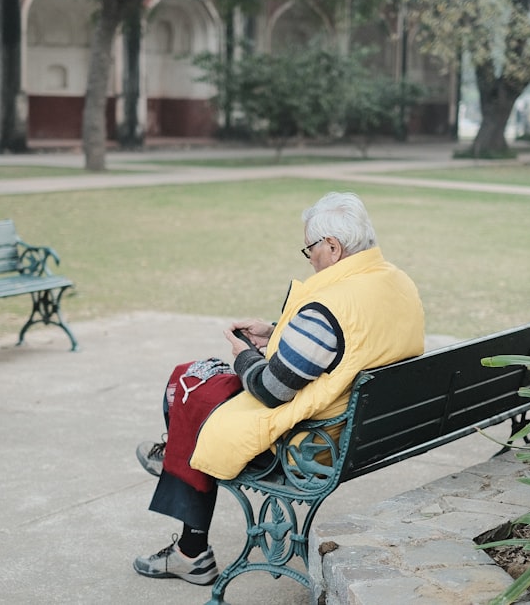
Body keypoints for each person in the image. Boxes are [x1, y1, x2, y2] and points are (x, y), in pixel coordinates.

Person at [131, 191, 426, 586]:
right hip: (367, 428)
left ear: (333, 247)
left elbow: (271, 390)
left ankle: (188, 531)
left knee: (189, 383)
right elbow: (351, 343)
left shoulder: (330, 305)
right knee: (199, 387)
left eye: (310, 250)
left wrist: (242, 354)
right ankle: (176, 460)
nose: (310, 260)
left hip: (310, 442)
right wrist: (276, 334)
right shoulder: (395, 281)